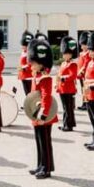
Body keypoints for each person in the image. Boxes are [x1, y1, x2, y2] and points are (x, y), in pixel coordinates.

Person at [27, 38, 57, 179]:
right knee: (39, 141)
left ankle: (47, 168)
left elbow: (46, 97)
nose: (31, 64)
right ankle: (40, 165)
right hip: (36, 113)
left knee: (44, 142)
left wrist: (43, 115)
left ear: (41, 63)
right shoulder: (37, 76)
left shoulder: (45, 78)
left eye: (33, 62)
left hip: (43, 115)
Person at [56, 36, 78, 132]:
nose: (64, 55)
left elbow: (72, 76)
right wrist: (57, 83)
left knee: (68, 108)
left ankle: (69, 125)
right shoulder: (63, 63)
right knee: (65, 108)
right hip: (62, 89)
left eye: (66, 53)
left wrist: (62, 78)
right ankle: (66, 123)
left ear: (71, 54)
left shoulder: (73, 64)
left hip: (69, 89)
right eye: (64, 53)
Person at [76, 32, 91, 111]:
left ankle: (86, 103)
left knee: (85, 89)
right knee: (83, 89)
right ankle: (84, 103)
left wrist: (81, 71)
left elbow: (86, 64)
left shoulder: (88, 53)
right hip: (81, 74)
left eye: (83, 45)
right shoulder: (82, 53)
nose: (82, 47)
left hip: (85, 74)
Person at [18, 31, 34, 96]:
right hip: (24, 76)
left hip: (29, 76)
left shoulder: (30, 53)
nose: (23, 46)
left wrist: (23, 68)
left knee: (29, 94)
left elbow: (31, 64)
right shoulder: (23, 52)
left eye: (25, 45)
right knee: (27, 94)